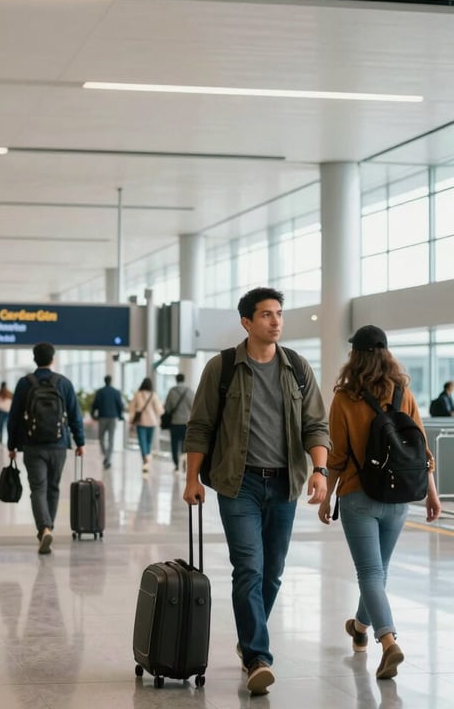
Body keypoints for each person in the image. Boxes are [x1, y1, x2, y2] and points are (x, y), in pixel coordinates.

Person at [182, 286, 330, 696]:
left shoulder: (297, 368)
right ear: (247, 322)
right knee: (249, 567)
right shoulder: (223, 367)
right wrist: (192, 478)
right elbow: (200, 427)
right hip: (238, 482)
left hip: (284, 484)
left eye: (279, 313)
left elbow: (316, 424)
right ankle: (258, 656)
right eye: (266, 314)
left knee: (273, 571)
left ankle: (250, 637)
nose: (276, 321)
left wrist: (319, 469)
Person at [318, 325, 441, 680]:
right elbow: (421, 448)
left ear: (353, 355)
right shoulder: (403, 393)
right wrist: (431, 493)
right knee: (379, 572)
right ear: (386, 353)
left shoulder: (344, 398)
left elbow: (338, 455)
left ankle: (388, 642)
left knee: (370, 573)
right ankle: (359, 627)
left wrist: (328, 493)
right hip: (400, 497)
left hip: (359, 495)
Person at [8, 342, 85, 554]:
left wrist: (12, 445)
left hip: (32, 445)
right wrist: (80, 442)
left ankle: (44, 528)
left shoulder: (25, 383)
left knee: (38, 489)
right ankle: (48, 526)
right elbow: (75, 415)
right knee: (53, 487)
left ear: (34, 359)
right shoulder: (63, 383)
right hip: (59, 445)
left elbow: (14, 417)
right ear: (53, 359)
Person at [128, 377, 163, 473]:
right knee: (148, 441)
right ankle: (147, 457)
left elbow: (131, 408)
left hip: (141, 422)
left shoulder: (137, 394)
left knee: (142, 441)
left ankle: (145, 458)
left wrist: (131, 419)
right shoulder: (154, 395)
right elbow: (159, 409)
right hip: (152, 422)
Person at [163, 373, 195, 472]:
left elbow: (167, 408)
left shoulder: (172, 392)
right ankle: (184, 459)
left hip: (175, 423)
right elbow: (194, 407)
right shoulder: (189, 391)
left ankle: (177, 465)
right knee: (185, 444)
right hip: (186, 423)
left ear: (176, 380)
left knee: (174, 444)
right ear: (184, 379)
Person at [90, 375, 124, 470]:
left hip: (102, 418)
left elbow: (94, 404)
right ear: (111, 381)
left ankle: (106, 456)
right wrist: (120, 416)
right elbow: (120, 405)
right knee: (111, 439)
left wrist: (93, 415)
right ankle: (107, 458)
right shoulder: (116, 392)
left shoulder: (100, 392)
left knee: (101, 438)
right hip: (112, 418)